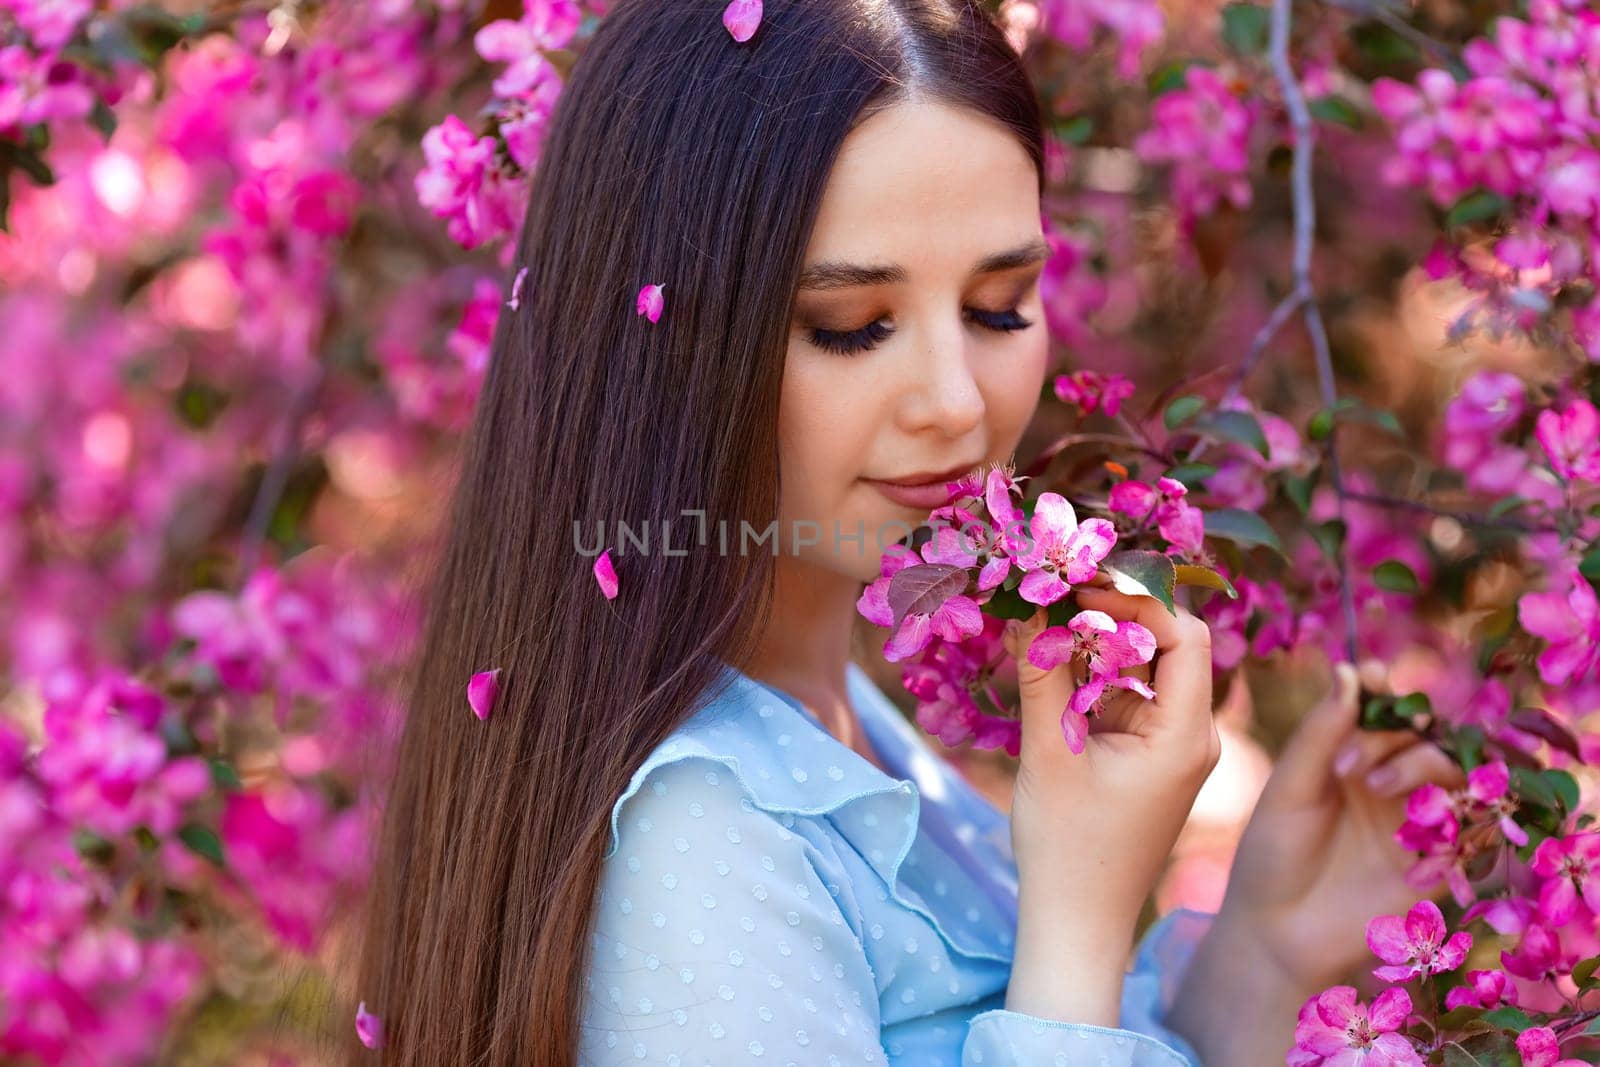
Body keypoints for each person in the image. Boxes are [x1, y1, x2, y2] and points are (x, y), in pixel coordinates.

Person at [349, 1, 1467, 1063]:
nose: (955, 402)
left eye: (996, 310)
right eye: (850, 326)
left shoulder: (838, 732)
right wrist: (1078, 916)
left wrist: (1264, 944)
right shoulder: (699, 840)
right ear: (664, 338)